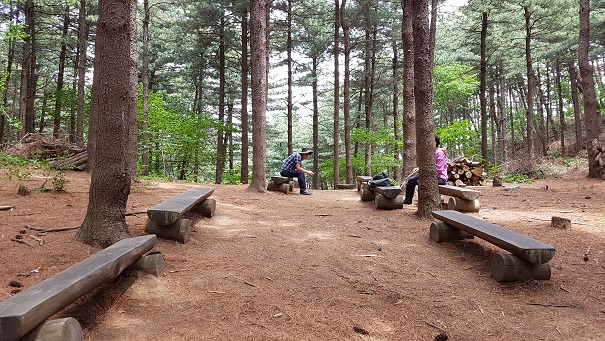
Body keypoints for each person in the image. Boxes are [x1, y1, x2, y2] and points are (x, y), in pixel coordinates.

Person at [403, 135, 448, 204]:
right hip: (429, 176)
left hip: (440, 178)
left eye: (431, 141)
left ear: (436, 142)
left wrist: (424, 172)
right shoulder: (429, 153)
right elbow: (426, 165)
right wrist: (419, 168)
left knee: (423, 182)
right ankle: (408, 200)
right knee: (411, 181)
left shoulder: (439, 153)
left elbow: (439, 169)